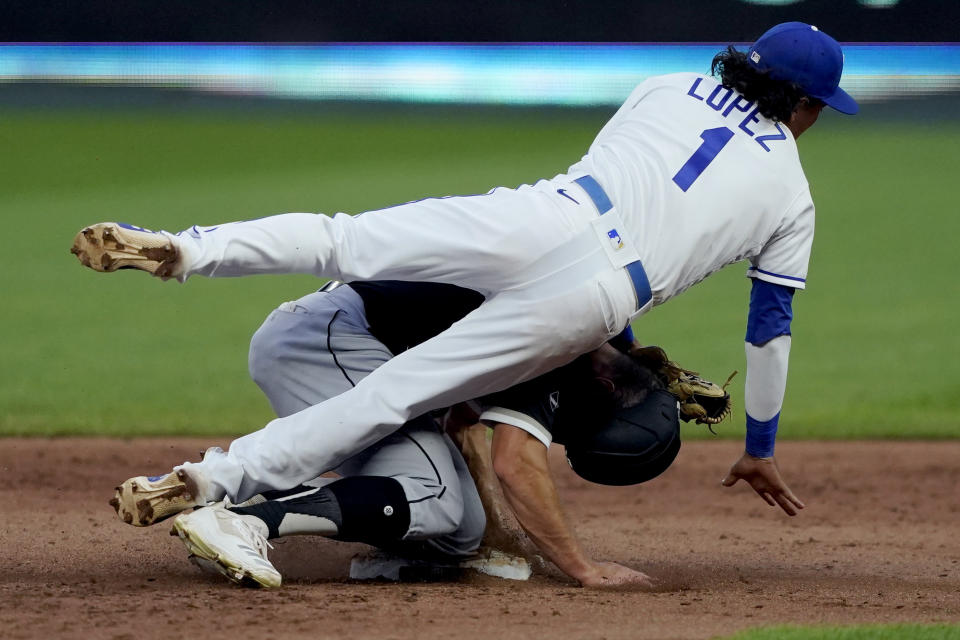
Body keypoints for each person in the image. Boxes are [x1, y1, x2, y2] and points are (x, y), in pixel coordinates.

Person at [73, 22, 856, 573]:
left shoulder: (665, 87)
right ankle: (212, 481)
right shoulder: (793, 194)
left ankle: (187, 248)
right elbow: (770, 330)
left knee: (347, 238)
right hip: (602, 294)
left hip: (546, 212)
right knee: (391, 396)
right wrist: (759, 445)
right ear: (809, 107)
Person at [153, 279, 673, 588]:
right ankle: (246, 518)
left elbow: (461, 426)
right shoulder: (556, 346)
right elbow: (515, 463)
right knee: (435, 497)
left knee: (459, 529)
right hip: (332, 338)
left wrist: (494, 532)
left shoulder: (583, 319)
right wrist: (582, 567)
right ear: (604, 381)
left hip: (331, 335)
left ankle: (270, 491)